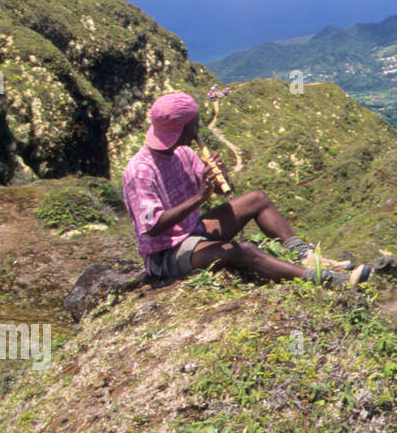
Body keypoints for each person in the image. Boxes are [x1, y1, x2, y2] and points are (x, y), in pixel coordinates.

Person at [122, 92, 371, 287]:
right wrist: (199, 197)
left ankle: (303, 253)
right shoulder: (140, 171)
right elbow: (152, 227)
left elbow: (222, 190)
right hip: (167, 253)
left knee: (257, 199)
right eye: (195, 125)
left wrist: (219, 173)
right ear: (180, 129)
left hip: (193, 231)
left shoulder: (184, 153)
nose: (198, 130)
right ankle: (326, 281)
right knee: (246, 251)